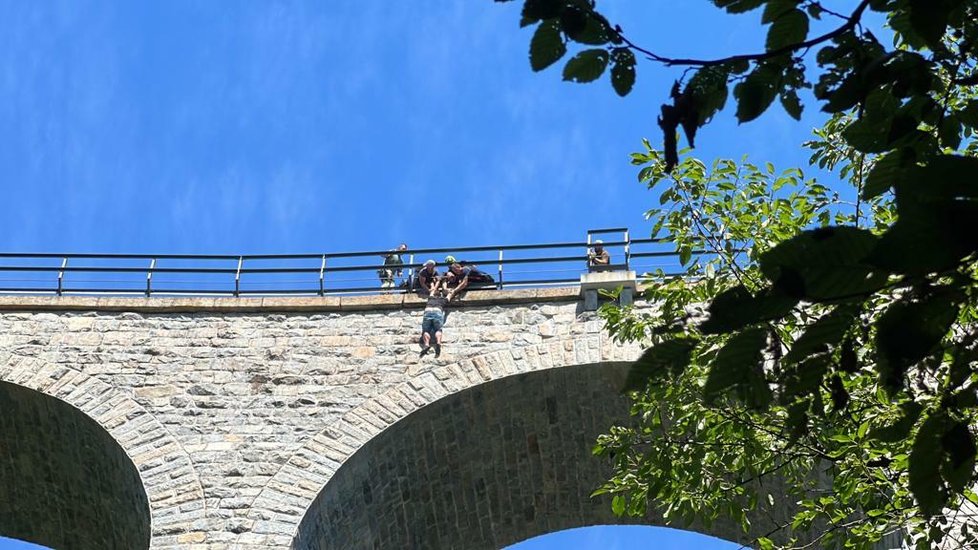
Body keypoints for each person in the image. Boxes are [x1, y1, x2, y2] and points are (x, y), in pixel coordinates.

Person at [419, 289, 448, 357]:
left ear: (434, 294)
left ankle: (426, 344)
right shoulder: (443, 300)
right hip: (438, 310)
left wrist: (437, 282)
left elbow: (432, 290)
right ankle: (438, 343)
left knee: (426, 330)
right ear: (440, 295)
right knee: (438, 329)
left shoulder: (431, 297)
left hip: (428, 310)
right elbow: (450, 294)